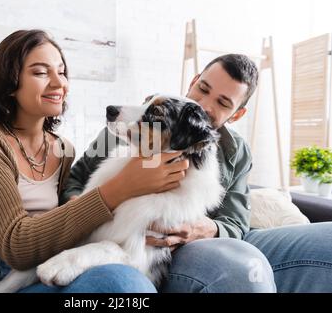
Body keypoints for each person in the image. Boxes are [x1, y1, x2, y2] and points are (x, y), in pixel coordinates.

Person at [0, 29, 190, 293]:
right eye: (41, 72)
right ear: (10, 82)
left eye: (62, 71)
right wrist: (120, 188)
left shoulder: (63, 149)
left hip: (19, 277)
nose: (59, 83)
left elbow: (68, 224)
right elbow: (15, 245)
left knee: (121, 286)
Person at [63, 54, 332, 293]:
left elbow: (236, 222)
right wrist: (85, 211)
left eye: (223, 103)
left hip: (211, 240)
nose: (204, 105)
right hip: (164, 253)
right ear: (193, 81)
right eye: (203, 89)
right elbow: (74, 180)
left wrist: (206, 227)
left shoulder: (236, 150)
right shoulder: (132, 122)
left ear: (237, 115)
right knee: (240, 265)